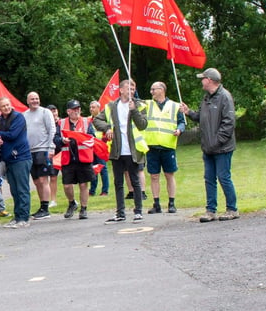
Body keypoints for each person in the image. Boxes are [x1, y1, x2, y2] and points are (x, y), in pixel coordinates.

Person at [180, 68, 239, 222]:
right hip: (208, 147)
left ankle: (232, 209)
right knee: (209, 178)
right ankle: (210, 210)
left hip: (222, 147)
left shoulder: (225, 97)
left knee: (223, 177)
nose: (201, 81)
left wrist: (216, 141)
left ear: (210, 80)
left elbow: (229, 123)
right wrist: (189, 113)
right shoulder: (206, 98)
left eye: (203, 78)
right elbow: (202, 117)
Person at [94, 80, 149, 224]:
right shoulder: (111, 106)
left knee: (135, 181)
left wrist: (134, 110)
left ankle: (138, 212)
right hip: (117, 150)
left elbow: (142, 125)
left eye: (133, 88)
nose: (131, 90)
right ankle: (120, 213)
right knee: (118, 182)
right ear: (121, 90)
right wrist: (107, 128)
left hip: (133, 150)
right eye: (128, 88)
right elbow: (97, 120)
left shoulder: (140, 105)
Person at [143, 82, 185, 214]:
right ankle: (156, 204)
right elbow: (135, 100)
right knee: (154, 176)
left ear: (161, 90)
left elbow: (182, 122)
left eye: (153, 89)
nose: (151, 92)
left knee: (169, 175)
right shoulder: (148, 104)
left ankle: (171, 203)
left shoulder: (175, 106)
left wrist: (179, 130)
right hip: (152, 145)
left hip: (168, 146)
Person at [0, 96, 32, 228]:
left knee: (22, 189)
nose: (6, 107)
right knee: (14, 190)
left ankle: (24, 217)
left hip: (21, 157)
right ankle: (17, 216)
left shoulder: (18, 117)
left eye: (7, 104)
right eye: (3, 106)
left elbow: (13, 134)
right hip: (8, 159)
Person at [55, 100, 96, 220]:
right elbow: (55, 138)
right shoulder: (61, 123)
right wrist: (62, 141)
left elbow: (92, 137)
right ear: (68, 111)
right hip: (68, 158)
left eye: (78, 108)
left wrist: (86, 139)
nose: (76, 111)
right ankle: (72, 203)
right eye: (74, 109)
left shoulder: (86, 121)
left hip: (83, 158)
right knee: (67, 185)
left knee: (84, 184)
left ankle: (84, 209)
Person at [24, 92, 56, 220]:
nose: (35, 101)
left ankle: (46, 207)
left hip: (43, 149)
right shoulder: (24, 115)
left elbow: (52, 130)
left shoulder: (45, 112)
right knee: (36, 181)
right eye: (32, 99)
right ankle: (42, 206)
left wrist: (51, 147)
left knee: (44, 180)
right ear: (27, 101)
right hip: (30, 151)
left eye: (37, 98)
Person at [88, 101, 109, 197]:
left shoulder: (103, 120)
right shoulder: (88, 120)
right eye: (90, 107)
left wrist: (104, 141)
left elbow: (107, 131)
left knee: (103, 168)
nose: (91, 109)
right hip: (91, 147)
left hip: (100, 146)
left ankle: (105, 190)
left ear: (98, 108)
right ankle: (92, 190)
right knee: (92, 168)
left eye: (93, 107)